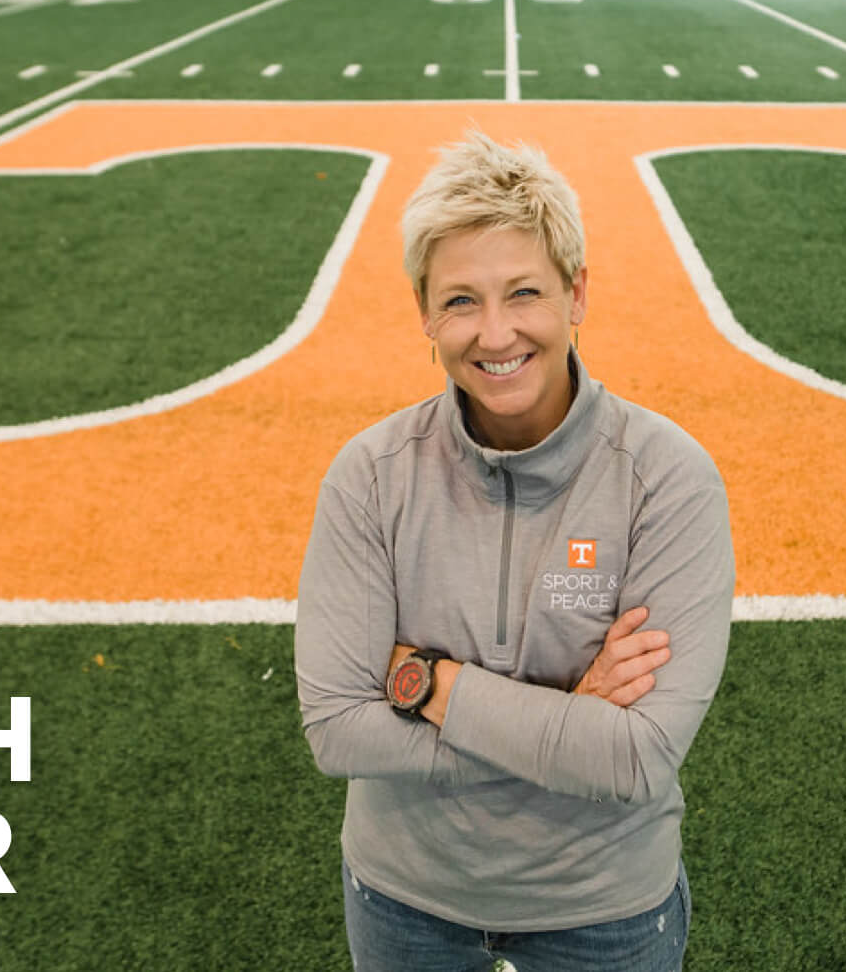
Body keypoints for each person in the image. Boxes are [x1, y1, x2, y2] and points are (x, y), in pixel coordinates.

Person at [295, 130, 735, 972]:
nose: (495, 335)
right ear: (424, 312)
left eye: (524, 292)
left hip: (604, 909)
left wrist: (429, 682)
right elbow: (339, 732)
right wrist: (569, 721)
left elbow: (635, 756)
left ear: (577, 293)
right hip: (404, 901)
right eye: (461, 300)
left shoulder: (668, 479)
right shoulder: (370, 475)